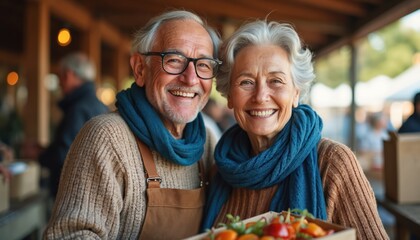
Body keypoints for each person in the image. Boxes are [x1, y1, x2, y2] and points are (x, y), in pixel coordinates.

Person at [201, 20, 388, 239]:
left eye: (276, 81)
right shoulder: (220, 170)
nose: (261, 96)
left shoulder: (332, 163)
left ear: (296, 93)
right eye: (246, 82)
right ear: (229, 97)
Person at [44, 10, 221, 239]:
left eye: (204, 65)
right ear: (139, 69)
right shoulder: (105, 136)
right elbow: (69, 235)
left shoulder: (206, 144)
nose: (191, 78)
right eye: (175, 60)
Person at [38, 52, 109, 198]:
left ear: (69, 75)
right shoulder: (100, 106)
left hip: (74, 195)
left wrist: (39, 155)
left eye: (60, 76)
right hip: (95, 191)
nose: (59, 82)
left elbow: (64, 154)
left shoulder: (78, 109)